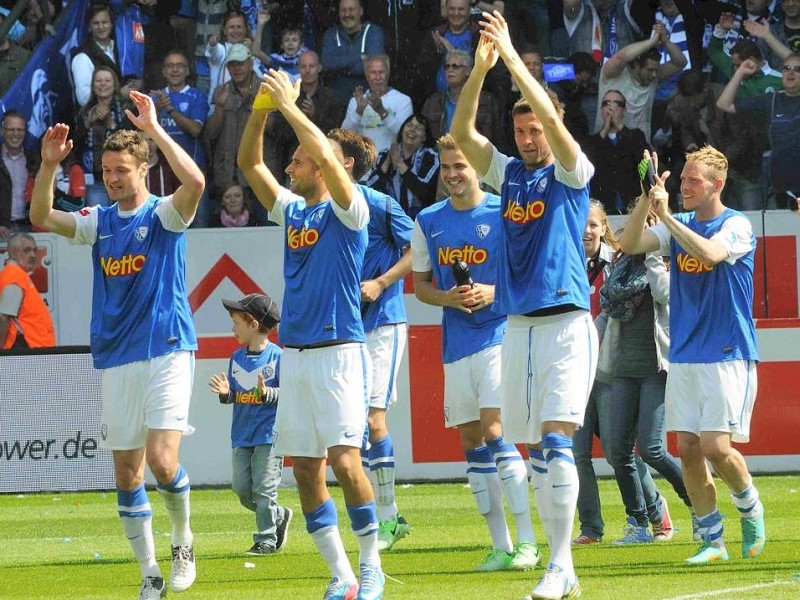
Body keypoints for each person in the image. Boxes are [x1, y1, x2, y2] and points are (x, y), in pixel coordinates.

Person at [29, 90, 205, 599]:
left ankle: (183, 539)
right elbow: (42, 216)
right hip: (116, 356)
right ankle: (149, 572)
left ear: (142, 170)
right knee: (127, 475)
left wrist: (155, 130)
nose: (111, 178)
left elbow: (195, 181)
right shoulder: (99, 223)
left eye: (121, 170)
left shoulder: (165, 216)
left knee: (162, 461)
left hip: (167, 347)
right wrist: (47, 165)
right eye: (106, 170)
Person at [451, 13, 596, 598]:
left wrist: (513, 58)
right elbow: (462, 134)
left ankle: (559, 566)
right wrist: (481, 71)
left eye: (537, 129)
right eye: (522, 131)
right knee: (534, 447)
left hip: (564, 322)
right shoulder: (510, 176)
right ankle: (564, 567)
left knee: (557, 440)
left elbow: (560, 140)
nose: (528, 139)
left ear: (554, 126)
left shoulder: (571, 171)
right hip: (515, 327)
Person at [237, 70, 385, 599]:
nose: (289, 166)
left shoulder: (351, 209)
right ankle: (341, 575)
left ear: (325, 166)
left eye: (297, 159)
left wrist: (291, 107)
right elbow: (250, 164)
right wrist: (262, 107)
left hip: (339, 350)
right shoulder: (293, 209)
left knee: (346, 462)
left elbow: (321, 156)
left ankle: (372, 567)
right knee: (304, 470)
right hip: (294, 356)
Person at [619, 146, 765, 565]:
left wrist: (664, 217)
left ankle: (750, 505)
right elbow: (629, 244)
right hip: (684, 353)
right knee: (687, 447)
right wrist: (649, 199)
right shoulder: (676, 222)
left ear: (716, 185)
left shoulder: (735, 224)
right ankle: (712, 539)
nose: (683, 186)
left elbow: (710, 254)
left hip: (725, 350)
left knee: (717, 448)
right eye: (681, 179)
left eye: (692, 181)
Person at [412, 133, 540, 573]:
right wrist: (448, 299)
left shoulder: (503, 211)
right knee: (471, 442)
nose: (452, 175)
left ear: (478, 170)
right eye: (446, 168)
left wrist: (493, 291)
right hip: (456, 343)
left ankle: (528, 543)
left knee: (495, 431)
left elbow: (529, 274)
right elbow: (422, 286)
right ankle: (500, 545)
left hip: (498, 334)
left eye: (460, 167)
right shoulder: (429, 219)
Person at [325, 127, 414, 552]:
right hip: (345, 331)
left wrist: (380, 282)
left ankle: (389, 516)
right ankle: (379, 515)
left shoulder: (379, 204)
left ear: (346, 163)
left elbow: (421, 249)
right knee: (352, 427)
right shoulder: (322, 207)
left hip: (382, 323)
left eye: (328, 151)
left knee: (374, 421)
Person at [208, 292, 293, 555]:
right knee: (243, 491)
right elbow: (236, 395)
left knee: (264, 490)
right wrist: (226, 394)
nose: (233, 328)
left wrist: (267, 393)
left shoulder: (279, 357)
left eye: (237, 323)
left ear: (253, 325)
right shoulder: (236, 359)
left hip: (269, 436)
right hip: (242, 436)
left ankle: (266, 540)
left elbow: (290, 394)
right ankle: (279, 514)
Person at [716, 53, 800, 209]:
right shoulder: (771, 101)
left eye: (797, 69)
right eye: (786, 68)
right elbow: (724, 104)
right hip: (780, 189)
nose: (790, 72)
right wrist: (740, 72)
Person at [595, 22, 688, 142]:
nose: (654, 74)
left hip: (640, 150)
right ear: (636, 65)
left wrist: (665, 41)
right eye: (649, 70)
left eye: (656, 70)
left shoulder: (654, 78)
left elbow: (680, 62)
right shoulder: (612, 74)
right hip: (606, 146)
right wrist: (652, 42)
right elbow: (621, 56)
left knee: (645, 162)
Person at [151, 49, 211, 226]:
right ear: (164, 71)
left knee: (198, 224)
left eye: (179, 66)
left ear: (187, 70)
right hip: (162, 172)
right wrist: (158, 109)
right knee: (164, 224)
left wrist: (170, 110)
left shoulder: (197, 96)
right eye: (170, 66)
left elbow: (195, 130)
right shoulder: (154, 98)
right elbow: (145, 132)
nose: (175, 70)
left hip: (191, 171)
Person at [74, 66, 135, 208]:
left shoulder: (127, 109)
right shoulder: (84, 111)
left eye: (107, 80)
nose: (103, 84)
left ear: (115, 86)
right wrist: (88, 123)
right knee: (98, 225)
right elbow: (74, 144)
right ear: (93, 86)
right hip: (95, 180)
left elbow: (129, 142)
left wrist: (111, 123)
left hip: (122, 177)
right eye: (98, 81)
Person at [583, 90, 650, 215]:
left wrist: (619, 126)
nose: (611, 107)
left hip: (633, 206)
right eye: (607, 103)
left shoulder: (635, 136)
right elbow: (587, 162)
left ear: (624, 110)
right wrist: (604, 130)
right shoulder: (592, 141)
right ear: (601, 109)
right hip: (603, 208)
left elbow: (644, 161)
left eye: (617, 104)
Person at [363, 113, 440, 218]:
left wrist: (400, 163)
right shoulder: (385, 154)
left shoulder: (431, 157)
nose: (412, 130)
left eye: (419, 128)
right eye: (409, 125)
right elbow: (370, 189)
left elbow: (425, 193)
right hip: (386, 218)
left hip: (419, 219)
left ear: (425, 137)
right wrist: (387, 162)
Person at [341, 54, 413, 153]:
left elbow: (406, 134)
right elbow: (344, 135)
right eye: (373, 73)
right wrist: (359, 111)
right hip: (364, 162)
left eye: (381, 72)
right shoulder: (355, 101)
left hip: (391, 162)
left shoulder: (403, 100)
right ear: (366, 75)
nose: (378, 77)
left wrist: (382, 112)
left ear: (388, 73)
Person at [320, 0, 386, 105]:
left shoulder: (374, 32)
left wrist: (339, 69)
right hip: (336, 102)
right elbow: (326, 64)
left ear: (360, 11)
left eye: (351, 10)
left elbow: (374, 68)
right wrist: (359, 57)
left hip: (367, 101)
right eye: (343, 10)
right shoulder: (330, 34)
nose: (347, 14)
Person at [0, 232, 56, 349]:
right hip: (27, 348)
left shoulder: (18, 275)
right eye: (26, 250)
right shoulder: (14, 277)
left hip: (33, 348)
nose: (33, 255)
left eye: (34, 250)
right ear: (14, 253)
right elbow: (3, 318)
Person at [0, 110, 37, 238]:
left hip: (29, 228)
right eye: (11, 129)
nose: (16, 133)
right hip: (3, 230)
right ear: (2, 131)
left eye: (20, 130)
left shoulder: (34, 160)